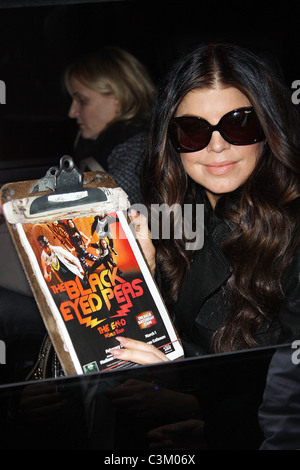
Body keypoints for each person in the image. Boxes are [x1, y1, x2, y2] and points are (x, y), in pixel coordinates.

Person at [110, 42, 300, 365]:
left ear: (268, 130)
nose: (217, 146)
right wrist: (144, 271)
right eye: (194, 130)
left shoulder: (292, 237)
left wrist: (181, 387)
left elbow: (286, 400)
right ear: (172, 142)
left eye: (239, 124)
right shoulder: (174, 217)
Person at [64, 46, 155, 205]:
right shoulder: (95, 145)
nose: (72, 112)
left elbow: (108, 204)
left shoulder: (137, 146)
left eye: (82, 101)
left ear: (119, 99)